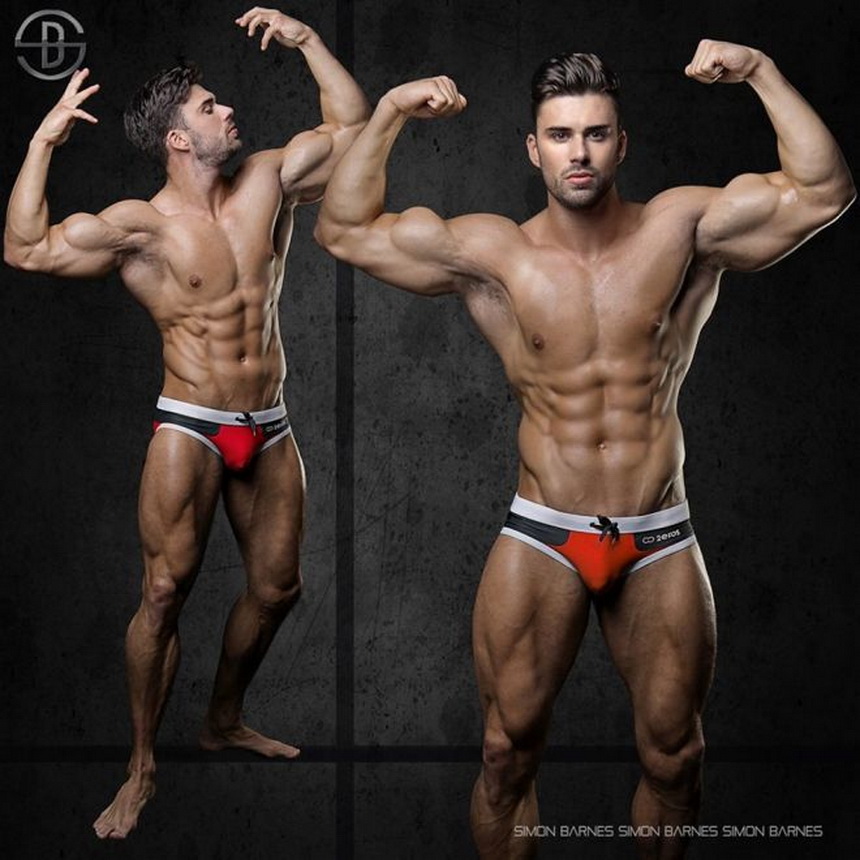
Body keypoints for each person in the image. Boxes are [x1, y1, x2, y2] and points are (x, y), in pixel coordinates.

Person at [314, 39, 854, 859]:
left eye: (596, 134)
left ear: (621, 144)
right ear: (533, 148)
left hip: (657, 533)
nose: (579, 152)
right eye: (561, 136)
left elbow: (824, 191)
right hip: (544, 531)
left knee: (677, 758)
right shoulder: (495, 252)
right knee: (505, 753)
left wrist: (759, 71)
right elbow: (344, 229)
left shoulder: (683, 226)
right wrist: (388, 110)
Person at [4, 6, 369, 841]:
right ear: (177, 139)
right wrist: (43, 142)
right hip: (192, 423)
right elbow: (25, 248)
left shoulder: (268, 180)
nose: (228, 109)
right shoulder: (140, 228)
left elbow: (352, 129)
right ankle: (141, 767)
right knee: (164, 592)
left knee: (277, 588)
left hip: (268, 423)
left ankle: (223, 719)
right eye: (209, 107)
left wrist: (309, 40)